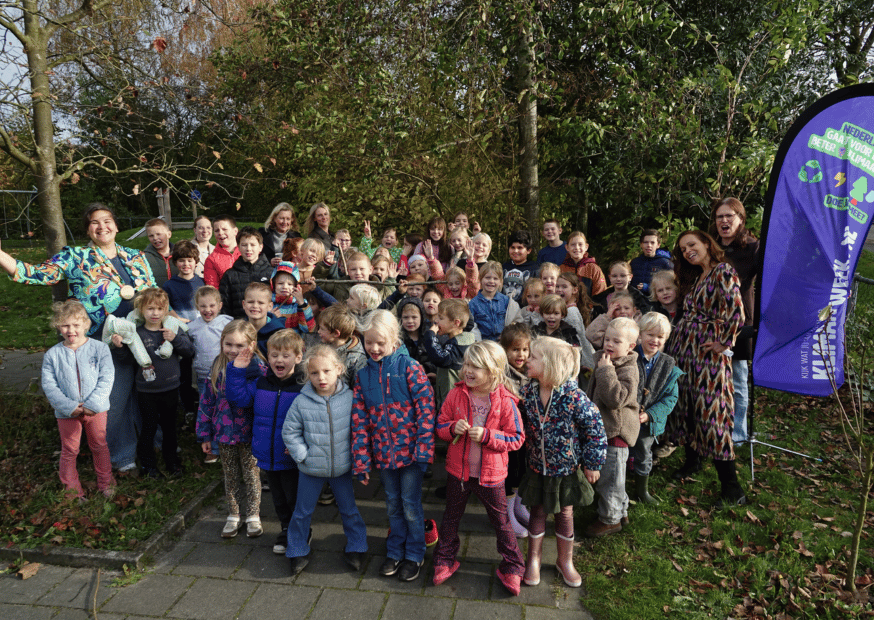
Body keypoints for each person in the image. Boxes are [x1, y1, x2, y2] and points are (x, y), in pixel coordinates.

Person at [0, 203, 156, 472]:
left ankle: (153, 447)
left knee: (146, 395)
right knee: (114, 401)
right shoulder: (75, 257)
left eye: (107, 221)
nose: (102, 226)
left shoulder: (136, 256)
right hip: (101, 342)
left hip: (141, 337)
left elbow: (155, 293)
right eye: (94, 222)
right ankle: (122, 457)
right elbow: (34, 274)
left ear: (117, 226)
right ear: (87, 230)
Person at [432, 342, 526, 595]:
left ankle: (514, 566)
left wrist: (486, 435)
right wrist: (452, 428)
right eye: (466, 364)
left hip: (491, 476)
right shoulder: (456, 394)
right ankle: (444, 559)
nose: (467, 370)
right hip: (458, 472)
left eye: (475, 366)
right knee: (450, 518)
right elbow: (440, 426)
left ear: (493, 372)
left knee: (501, 522)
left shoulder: (506, 402)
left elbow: (516, 438)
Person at [351, 310, 436, 582]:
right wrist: (362, 460)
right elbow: (359, 420)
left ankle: (414, 552)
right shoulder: (363, 375)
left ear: (394, 341)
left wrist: (423, 450)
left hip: (411, 454)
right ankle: (395, 549)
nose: (374, 348)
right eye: (369, 342)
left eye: (380, 342)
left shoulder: (409, 368)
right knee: (392, 505)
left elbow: (426, 410)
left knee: (411, 505)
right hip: (384, 455)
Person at [665, 230, 746, 507]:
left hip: (707, 357)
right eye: (683, 249)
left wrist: (724, 343)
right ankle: (693, 462)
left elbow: (737, 312)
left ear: (706, 244)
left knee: (713, 412)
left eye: (692, 245)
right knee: (686, 405)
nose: (687, 251)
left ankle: (733, 489)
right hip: (684, 351)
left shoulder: (723, 271)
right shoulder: (697, 276)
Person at [518, 337, 606, 588]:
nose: (527, 360)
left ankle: (565, 561)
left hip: (566, 468)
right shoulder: (528, 391)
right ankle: (533, 559)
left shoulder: (573, 397)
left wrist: (593, 463)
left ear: (551, 365)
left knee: (565, 512)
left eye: (533, 357)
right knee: (537, 510)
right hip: (536, 466)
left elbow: (595, 430)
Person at [282, 344, 368, 575]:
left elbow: (360, 430)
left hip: (342, 468)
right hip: (311, 469)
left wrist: (357, 458)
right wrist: (303, 456)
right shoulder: (301, 402)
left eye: (327, 371)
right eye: (314, 373)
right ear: (307, 374)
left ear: (339, 369)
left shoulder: (350, 398)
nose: (321, 377)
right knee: (302, 512)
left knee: (349, 509)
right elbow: (290, 432)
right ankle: (297, 549)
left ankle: (357, 546)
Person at [226, 329, 304, 553]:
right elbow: (238, 398)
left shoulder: (303, 387)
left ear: (298, 358)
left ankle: (299, 532)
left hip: (291, 456)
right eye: (274, 355)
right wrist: (237, 371)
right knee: (278, 499)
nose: (279, 360)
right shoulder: (261, 383)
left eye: (285, 355)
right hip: (267, 454)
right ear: (267, 357)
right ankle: (285, 529)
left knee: (294, 498)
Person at [111, 288, 193, 478]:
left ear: (165, 310)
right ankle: (148, 465)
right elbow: (127, 361)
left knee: (169, 427)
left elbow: (189, 352)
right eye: (150, 309)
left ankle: (172, 461)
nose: (155, 313)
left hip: (171, 388)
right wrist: (119, 348)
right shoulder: (136, 333)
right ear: (140, 310)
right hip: (146, 391)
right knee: (149, 427)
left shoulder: (171, 330)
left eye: (159, 309)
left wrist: (176, 340)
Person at [197, 320, 267, 538]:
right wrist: (204, 433)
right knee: (231, 475)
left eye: (240, 346)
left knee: (251, 475)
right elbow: (206, 402)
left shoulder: (259, 370)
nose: (233, 350)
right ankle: (234, 515)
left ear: (252, 345)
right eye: (229, 344)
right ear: (222, 343)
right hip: (224, 433)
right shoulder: (217, 367)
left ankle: (253, 515)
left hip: (249, 434)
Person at [42, 300, 115, 501]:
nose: (71, 330)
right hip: (67, 412)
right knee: (70, 450)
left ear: (85, 324)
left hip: (96, 409)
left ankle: (106, 483)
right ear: (58, 326)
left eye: (76, 325)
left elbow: (107, 377)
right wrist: (69, 407)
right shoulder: (53, 355)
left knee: (99, 445)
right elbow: (50, 385)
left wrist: (93, 404)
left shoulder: (99, 349)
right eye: (65, 325)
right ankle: (72, 490)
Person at [709, 197, 761, 445]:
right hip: (709, 322)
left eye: (730, 216)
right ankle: (713, 425)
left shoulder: (753, 248)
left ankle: (738, 434)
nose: (724, 221)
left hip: (739, 324)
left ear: (741, 219)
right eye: (720, 216)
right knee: (711, 379)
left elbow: (775, 278)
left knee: (738, 380)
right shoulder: (711, 247)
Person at [584, 317, 640, 538]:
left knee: (611, 480)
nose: (609, 343)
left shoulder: (627, 369)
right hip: (602, 431)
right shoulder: (606, 360)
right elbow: (592, 332)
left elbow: (616, 399)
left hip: (615, 435)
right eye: (607, 339)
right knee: (616, 478)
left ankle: (610, 519)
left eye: (617, 341)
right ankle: (621, 511)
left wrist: (606, 372)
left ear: (630, 347)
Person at [631, 312, 682, 505]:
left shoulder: (668, 365)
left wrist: (650, 414)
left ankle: (641, 490)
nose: (655, 340)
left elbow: (671, 397)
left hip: (647, 422)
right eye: (650, 335)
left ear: (666, 339)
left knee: (644, 453)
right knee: (619, 452)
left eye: (660, 337)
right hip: (625, 417)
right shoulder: (630, 356)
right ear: (640, 335)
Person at [187, 286, 233, 463]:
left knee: (225, 410)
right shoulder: (192, 327)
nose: (208, 310)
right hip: (203, 376)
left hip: (223, 375)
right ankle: (212, 447)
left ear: (220, 305)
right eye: (203, 306)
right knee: (208, 410)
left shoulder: (226, 323)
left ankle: (227, 442)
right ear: (197, 307)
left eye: (212, 305)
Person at [499, 324, 533, 538]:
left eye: (524, 350)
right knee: (510, 474)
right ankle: (507, 514)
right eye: (515, 349)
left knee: (523, 471)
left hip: (526, 435)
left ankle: (519, 506)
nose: (520, 354)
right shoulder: (503, 374)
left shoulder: (530, 372)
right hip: (507, 435)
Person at [422, 298, 476, 410]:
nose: (436, 321)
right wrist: (440, 376)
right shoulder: (455, 341)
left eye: (441, 318)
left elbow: (441, 358)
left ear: (456, 323)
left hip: (454, 406)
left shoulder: (460, 343)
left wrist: (430, 335)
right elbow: (453, 370)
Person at [219, 227, 274, 319]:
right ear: (238, 247)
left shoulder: (271, 273)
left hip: (265, 324)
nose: (248, 249)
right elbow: (224, 306)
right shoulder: (230, 275)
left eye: (252, 245)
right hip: (238, 326)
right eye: (244, 245)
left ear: (260, 247)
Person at [468, 261, 522, 342]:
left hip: (504, 343)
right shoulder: (473, 304)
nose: (491, 281)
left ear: (500, 281)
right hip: (483, 345)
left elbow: (516, 321)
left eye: (495, 278)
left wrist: (507, 335)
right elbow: (471, 327)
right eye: (487, 278)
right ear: (480, 279)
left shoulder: (507, 302)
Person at [317, 304, 367, 388]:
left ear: (336, 333)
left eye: (322, 329)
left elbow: (358, 388)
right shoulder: (323, 346)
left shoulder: (357, 359)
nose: (318, 331)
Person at [242, 282, 286, 356]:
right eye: (250, 302)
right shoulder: (239, 330)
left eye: (261, 303)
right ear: (244, 304)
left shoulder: (279, 333)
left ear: (270, 306)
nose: (255, 306)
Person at [269, 262, 315, 333]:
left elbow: (309, 329)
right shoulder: (268, 303)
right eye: (280, 283)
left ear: (296, 286)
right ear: (273, 284)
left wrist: (301, 303)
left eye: (290, 284)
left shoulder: (299, 304)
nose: (285, 287)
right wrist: (270, 317)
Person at [560, 231, 606, 296]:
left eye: (580, 244)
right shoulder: (561, 269)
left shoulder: (594, 269)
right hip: (566, 305)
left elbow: (600, 294)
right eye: (573, 244)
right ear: (567, 247)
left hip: (588, 306)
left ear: (586, 247)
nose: (576, 247)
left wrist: (591, 306)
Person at [630, 229, 673, 295]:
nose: (649, 245)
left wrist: (648, 288)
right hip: (635, 301)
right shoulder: (634, 263)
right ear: (641, 244)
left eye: (652, 243)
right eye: (645, 242)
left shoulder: (665, 263)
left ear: (658, 245)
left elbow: (671, 285)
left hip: (657, 302)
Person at [203, 215, 240, 288]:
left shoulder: (247, 251)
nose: (220, 233)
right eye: (217, 230)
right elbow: (212, 288)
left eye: (224, 229)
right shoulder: (211, 260)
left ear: (235, 231)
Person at [502, 230, 537, 303]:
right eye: (512, 247)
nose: (515, 251)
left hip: (525, 310)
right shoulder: (503, 267)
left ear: (528, 250)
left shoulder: (535, 269)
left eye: (520, 248)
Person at [143, 218, 177, 287]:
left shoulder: (179, 253)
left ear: (169, 234)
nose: (155, 238)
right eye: (151, 236)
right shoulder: (145, 257)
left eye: (158, 234)